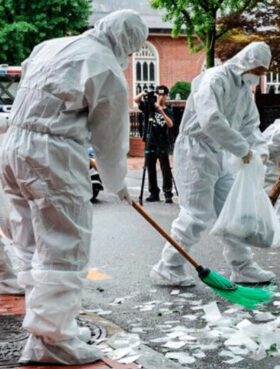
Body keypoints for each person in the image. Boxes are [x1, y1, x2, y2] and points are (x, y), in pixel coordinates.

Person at [0, 10, 148, 365]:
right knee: (63, 247)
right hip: (52, 156)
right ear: (127, 42)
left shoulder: (51, 45)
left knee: (30, 244)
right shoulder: (106, 69)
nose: (128, 58)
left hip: (12, 147)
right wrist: (118, 185)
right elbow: (110, 140)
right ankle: (53, 340)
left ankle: (49, 328)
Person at [150, 41, 276, 286]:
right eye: (258, 71)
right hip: (195, 151)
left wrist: (260, 150)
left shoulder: (242, 91)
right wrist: (242, 148)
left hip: (220, 152)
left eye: (262, 73)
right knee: (196, 214)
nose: (258, 77)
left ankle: (243, 267)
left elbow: (250, 125)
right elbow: (211, 120)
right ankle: (168, 266)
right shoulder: (215, 79)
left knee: (232, 211)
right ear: (246, 62)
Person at [135, 85, 175, 203]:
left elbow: (170, 124)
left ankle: (168, 193)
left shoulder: (168, 110)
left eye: (164, 95)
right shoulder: (149, 107)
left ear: (167, 96)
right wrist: (144, 93)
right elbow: (136, 100)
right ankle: (154, 193)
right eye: (159, 94)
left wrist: (161, 111)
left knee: (165, 169)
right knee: (150, 168)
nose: (161, 97)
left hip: (162, 143)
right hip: (150, 142)